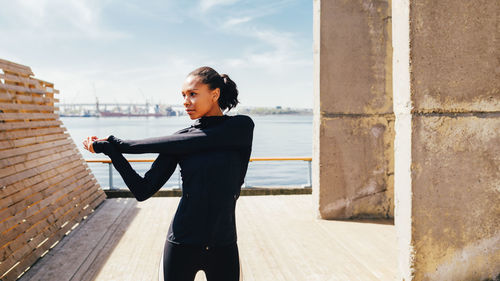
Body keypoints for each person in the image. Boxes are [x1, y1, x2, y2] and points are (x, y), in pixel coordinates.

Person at [82, 66, 254, 281]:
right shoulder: (179, 141)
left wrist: (123, 144)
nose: (185, 101)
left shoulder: (240, 127)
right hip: (182, 243)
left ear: (215, 94)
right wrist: (112, 152)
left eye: (192, 94)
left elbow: (204, 138)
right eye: (183, 95)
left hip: (224, 243)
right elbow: (142, 190)